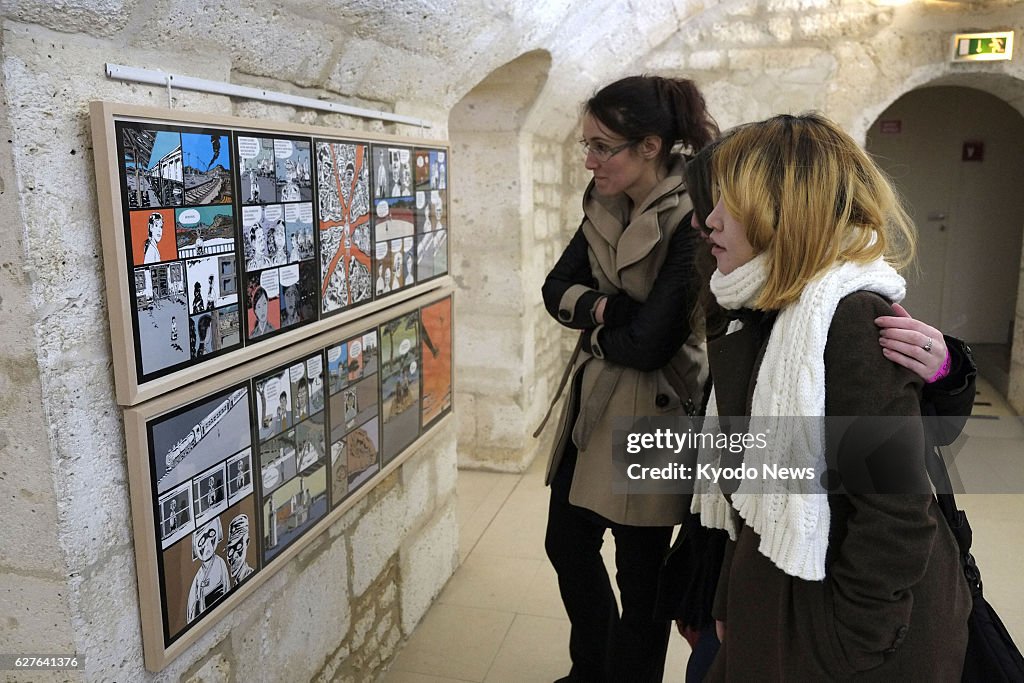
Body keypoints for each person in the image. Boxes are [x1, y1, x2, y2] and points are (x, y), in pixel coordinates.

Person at [662, 139, 979, 683]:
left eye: (725, 204)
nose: (707, 222)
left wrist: (851, 645)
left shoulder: (848, 319)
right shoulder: (757, 306)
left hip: (838, 623)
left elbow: (896, 513)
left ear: (782, 209)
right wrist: (727, 593)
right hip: (779, 585)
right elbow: (744, 484)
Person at [539, 75, 716, 682]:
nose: (589, 160)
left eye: (601, 146)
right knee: (565, 543)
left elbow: (650, 347)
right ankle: (593, 669)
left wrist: (591, 319)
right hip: (595, 404)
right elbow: (554, 290)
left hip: (656, 411)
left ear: (650, 145)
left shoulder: (695, 214)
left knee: (641, 579)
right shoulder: (603, 196)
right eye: (585, 145)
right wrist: (608, 312)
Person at [186, 518, 230, 623]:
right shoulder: (198, 576)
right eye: (201, 541)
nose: (207, 544)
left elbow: (227, 587)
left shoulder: (220, 562)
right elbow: (191, 608)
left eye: (211, 535)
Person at [225, 514, 255, 584]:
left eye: (239, 547)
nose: (234, 555)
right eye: (231, 550)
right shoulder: (236, 582)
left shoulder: (250, 576)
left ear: (247, 543)